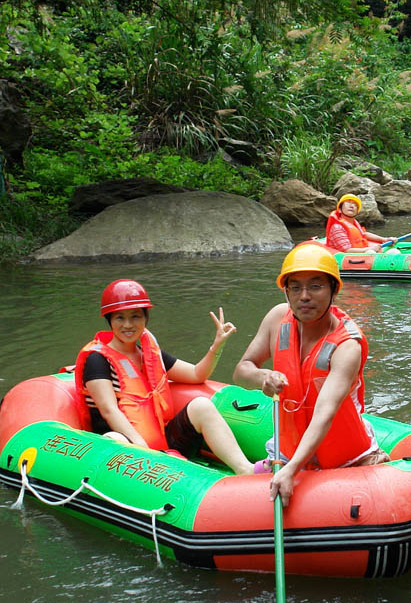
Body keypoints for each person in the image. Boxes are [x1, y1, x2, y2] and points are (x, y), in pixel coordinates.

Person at [233, 244, 386, 505]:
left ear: (333, 290)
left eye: (316, 286)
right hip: (287, 448)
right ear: (286, 291)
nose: (304, 296)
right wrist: (263, 377)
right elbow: (242, 369)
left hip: (346, 458)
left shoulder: (347, 345)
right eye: (295, 287)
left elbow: (324, 415)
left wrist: (291, 470)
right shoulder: (276, 318)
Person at [74, 279, 258, 474]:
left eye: (135, 316)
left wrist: (217, 345)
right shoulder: (97, 359)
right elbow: (109, 410)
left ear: (145, 319)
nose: (128, 325)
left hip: (161, 441)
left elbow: (197, 374)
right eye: (120, 318)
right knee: (114, 439)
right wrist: (140, 446)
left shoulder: (149, 355)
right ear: (110, 320)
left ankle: (245, 469)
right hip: (126, 446)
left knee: (201, 405)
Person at [325, 193, 390, 254]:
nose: (351, 206)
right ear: (339, 210)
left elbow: (363, 234)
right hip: (346, 257)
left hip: (359, 251)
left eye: (355, 204)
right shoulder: (337, 227)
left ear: (357, 211)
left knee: (393, 250)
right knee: (370, 252)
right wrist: (368, 249)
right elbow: (346, 250)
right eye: (348, 203)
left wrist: (384, 239)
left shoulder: (354, 223)